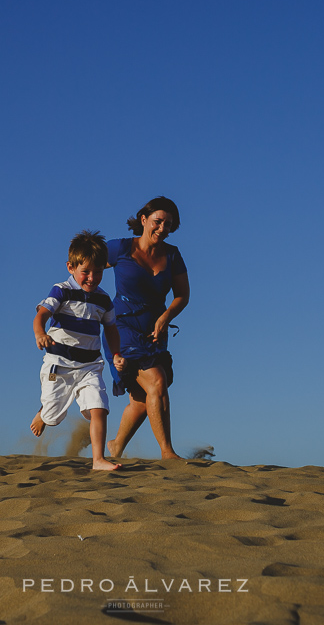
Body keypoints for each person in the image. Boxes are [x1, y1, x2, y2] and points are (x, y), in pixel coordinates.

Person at [30, 231, 124, 471]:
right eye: (86, 272)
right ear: (71, 267)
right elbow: (41, 314)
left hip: (90, 365)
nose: (92, 278)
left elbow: (111, 328)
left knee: (99, 408)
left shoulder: (103, 300)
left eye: (99, 271)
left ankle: (98, 460)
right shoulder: (61, 291)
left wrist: (115, 354)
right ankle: (43, 413)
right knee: (52, 416)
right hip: (59, 364)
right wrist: (40, 333)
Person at [105, 197, 190, 461]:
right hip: (121, 328)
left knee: (143, 400)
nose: (163, 228)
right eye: (158, 221)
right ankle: (167, 452)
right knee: (157, 380)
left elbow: (182, 295)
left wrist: (166, 316)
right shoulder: (120, 248)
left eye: (168, 224)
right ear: (144, 219)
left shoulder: (172, 255)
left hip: (154, 332)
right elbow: (85, 265)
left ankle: (116, 446)